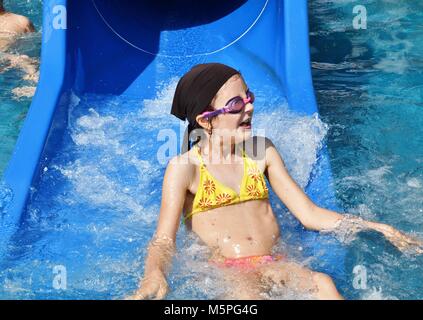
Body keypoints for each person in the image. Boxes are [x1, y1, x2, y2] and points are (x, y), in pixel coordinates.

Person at [127, 63, 423, 300]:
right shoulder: (184, 168)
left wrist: (375, 227)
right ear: (206, 120)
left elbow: (310, 215)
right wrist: (154, 274)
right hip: (228, 272)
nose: (249, 107)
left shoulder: (261, 152)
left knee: (323, 283)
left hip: (275, 261)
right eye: (235, 105)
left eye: (249, 97)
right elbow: (164, 239)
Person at [0, 0, 37, 82]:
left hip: (12, 60)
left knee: (23, 60)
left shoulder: (22, 22)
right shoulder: (21, 21)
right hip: (12, 60)